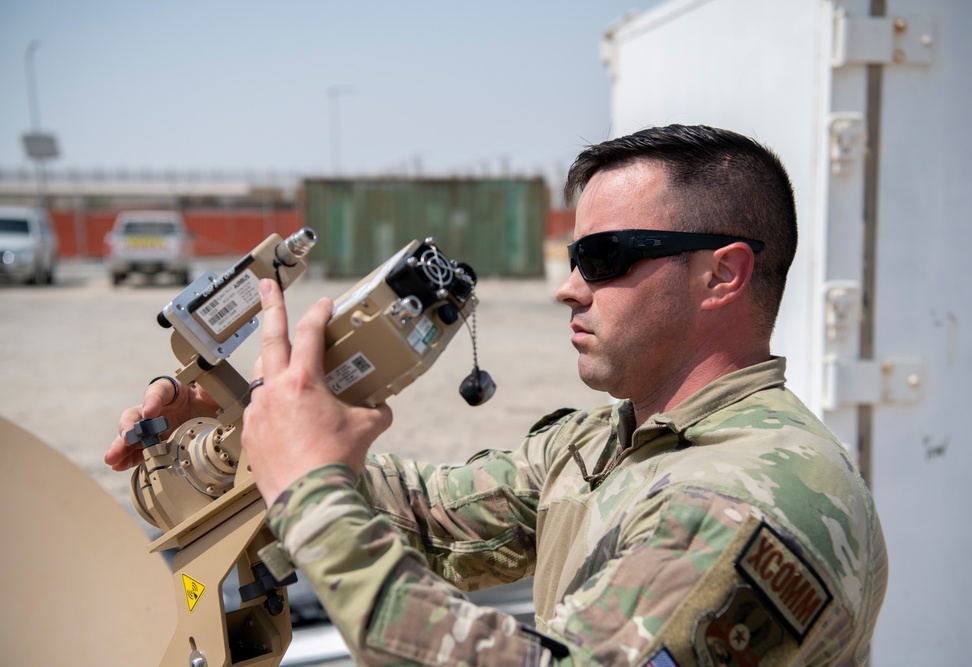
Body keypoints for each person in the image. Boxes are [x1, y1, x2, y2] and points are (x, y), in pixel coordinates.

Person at [107, 124, 888, 666]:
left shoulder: (750, 500)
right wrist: (235, 434)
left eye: (606, 256)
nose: (568, 287)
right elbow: (430, 515)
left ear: (723, 274)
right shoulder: (606, 442)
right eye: (574, 254)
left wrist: (310, 492)